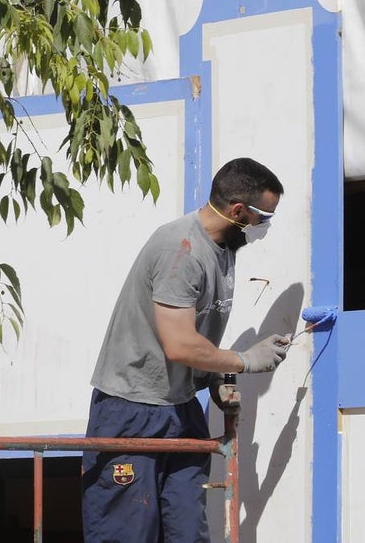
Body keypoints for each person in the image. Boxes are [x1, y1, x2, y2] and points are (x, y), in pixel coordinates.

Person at [81, 157, 289, 543]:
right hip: (132, 410)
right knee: (127, 533)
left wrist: (214, 376)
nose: (265, 227)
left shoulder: (223, 249)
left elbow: (194, 337)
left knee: (187, 532)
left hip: (177, 408)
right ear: (238, 211)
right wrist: (243, 360)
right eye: (264, 217)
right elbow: (179, 345)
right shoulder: (183, 250)